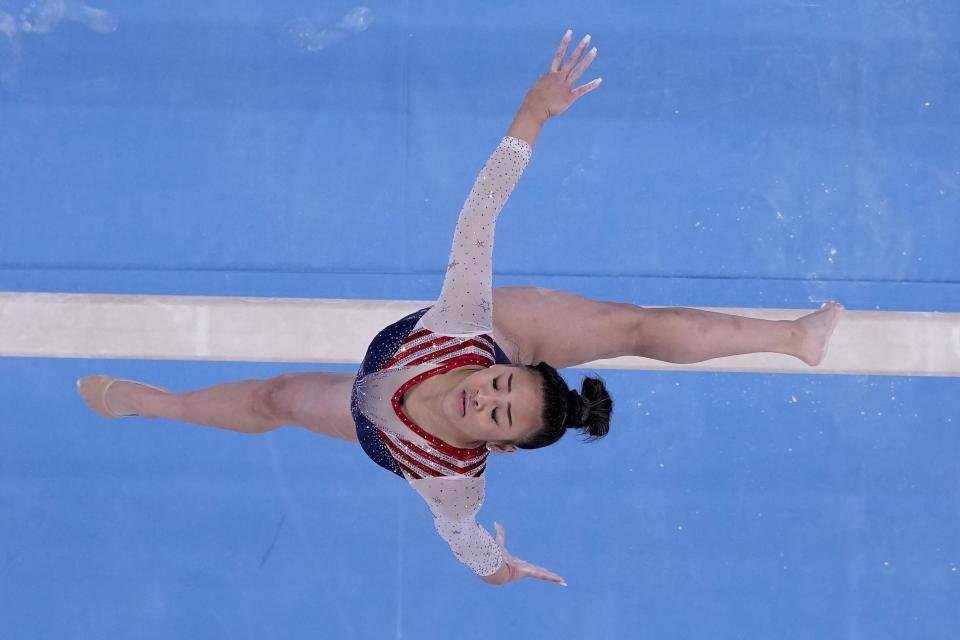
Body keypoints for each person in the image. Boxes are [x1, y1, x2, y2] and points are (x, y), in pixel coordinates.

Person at [78, 31, 843, 586]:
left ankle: (792, 338)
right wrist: (532, 116)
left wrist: (496, 568)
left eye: (498, 413)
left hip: (382, 420)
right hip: (506, 330)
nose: (487, 393)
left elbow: (460, 534)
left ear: (496, 448)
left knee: (279, 397)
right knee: (627, 324)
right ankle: (165, 401)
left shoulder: (454, 477)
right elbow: (480, 214)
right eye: (506, 386)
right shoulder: (466, 328)